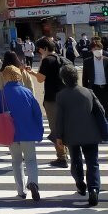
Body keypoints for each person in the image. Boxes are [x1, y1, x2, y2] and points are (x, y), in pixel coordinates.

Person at [54, 63, 106, 206]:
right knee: (92, 162)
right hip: (91, 132)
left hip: (71, 134)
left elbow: (60, 119)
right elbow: (100, 110)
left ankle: (80, 183)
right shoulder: (88, 92)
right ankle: (94, 189)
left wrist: (59, 136)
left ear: (63, 79)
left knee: (76, 161)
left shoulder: (61, 96)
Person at [0, 65, 44, 200]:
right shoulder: (27, 92)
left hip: (11, 133)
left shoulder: (1, 94)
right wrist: (39, 130)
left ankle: (21, 191)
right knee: (31, 160)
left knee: (16, 161)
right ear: (19, 76)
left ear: (5, 77)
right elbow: (37, 113)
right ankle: (33, 182)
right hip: (28, 132)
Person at [34, 36, 69, 167]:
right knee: (66, 126)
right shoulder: (63, 59)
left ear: (45, 48)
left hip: (52, 99)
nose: (39, 52)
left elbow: (40, 79)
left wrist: (32, 72)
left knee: (55, 128)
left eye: (40, 50)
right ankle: (70, 152)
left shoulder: (47, 60)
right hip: (66, 97)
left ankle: (62, 157)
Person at [82, 36, 108, 113]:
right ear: (92, 50)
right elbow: (85, 78)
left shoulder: (106, 59)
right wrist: (86, 91)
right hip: (94, 88)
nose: (98, 51)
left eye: (99, 49)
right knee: (96, 110)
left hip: (106, 88)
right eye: (95, 49)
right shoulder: (88, 61)